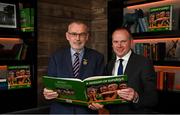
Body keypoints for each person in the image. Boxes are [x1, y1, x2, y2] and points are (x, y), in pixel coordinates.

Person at [89, 27, 158, 113]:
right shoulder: (109, 65)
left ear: (131, 42)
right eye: (115, 42)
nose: (119, 45)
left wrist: (136, 97)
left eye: (123, 41)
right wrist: (98, 103)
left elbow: (153, 98)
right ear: (112, 44)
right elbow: (108, 95)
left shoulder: (144, 63)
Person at [43, 21, 105, 114]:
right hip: (61, 111)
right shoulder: (56, 57)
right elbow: (49, 86)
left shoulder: (97, 57)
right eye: (74, 34)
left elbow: (101, 87)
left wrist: (99, 102)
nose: (78, 38)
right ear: (67, 36)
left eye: (82, 34)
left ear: (87, 37)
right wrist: (47, 93)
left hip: (87, 112)